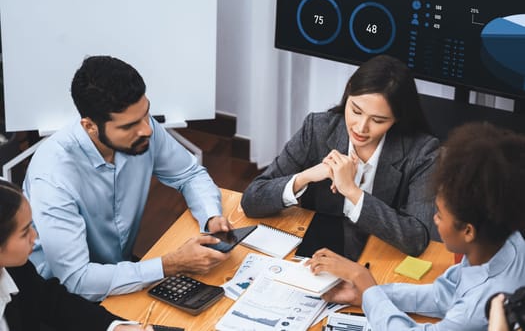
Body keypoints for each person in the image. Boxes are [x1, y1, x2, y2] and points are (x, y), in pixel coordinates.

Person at [23, 55, 232, 302]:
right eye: (129, 125)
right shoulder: (52, 178)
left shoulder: (142, 129)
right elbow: (78, 279)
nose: (147, 129)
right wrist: (169, 264)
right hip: (61, 298)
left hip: (121, 270)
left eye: (146, 113)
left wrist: (211, 216)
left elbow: (189, 174)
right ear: (90, 126)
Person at [306, 122, 525, 331]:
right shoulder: (503, 239)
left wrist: (361, 277)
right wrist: (369, 293)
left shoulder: (478, 308)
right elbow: (445, 294)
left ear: (468, 231)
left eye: (439, 214)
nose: (435, 220)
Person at [241, 54, 440, 260]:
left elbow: (416, 238)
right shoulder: (317, 129)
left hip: (382, 256)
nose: (361, 127)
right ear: (348, 92)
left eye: (378, 120)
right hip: (318, 252)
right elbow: (252, 200)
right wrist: (305, 177)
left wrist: (352, 191)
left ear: (397, 119)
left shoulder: (423, 153)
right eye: (356, 110)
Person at [0, 179, 154, 331]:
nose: (35, 236)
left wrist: (116, 327)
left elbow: (53, 302)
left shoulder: (16, 268)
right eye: (25, 232)